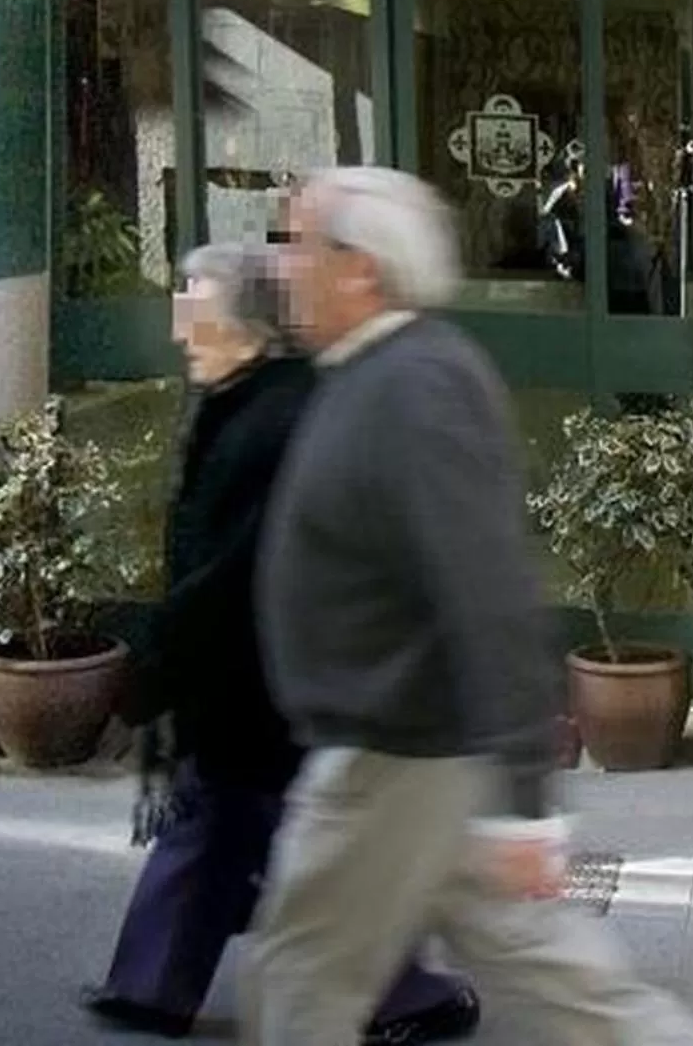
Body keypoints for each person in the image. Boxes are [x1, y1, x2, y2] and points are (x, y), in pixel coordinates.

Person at [247, 167, 693, 1046]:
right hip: (407, 754)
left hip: (398, 761)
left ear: (359, 267)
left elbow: (491, 597)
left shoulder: (415, 384)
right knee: (562, 980)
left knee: (301, 978)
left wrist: (521, 804)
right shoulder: (372, 373)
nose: (282, 265)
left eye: (300, 243)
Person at [85, 243, 479, 1044]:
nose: (180, 328)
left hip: (282, 677)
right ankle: (150, 985)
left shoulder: (282, 414)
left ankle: (409, 992)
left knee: (289, 843)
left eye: (196, 307)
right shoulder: (240, 399)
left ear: (250, 325)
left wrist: (157, 658)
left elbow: (240, 567)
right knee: (219, 825)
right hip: (248, 679)